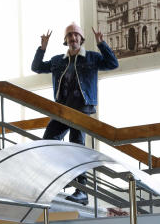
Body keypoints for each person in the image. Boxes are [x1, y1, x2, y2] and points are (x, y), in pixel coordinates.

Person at [32, 23, 119, 206]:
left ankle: (82, 191)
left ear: (81, 39)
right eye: (70, 36)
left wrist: (102, 44)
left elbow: (113, 63)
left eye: (76, 35)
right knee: (48, 140)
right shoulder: (58, 61)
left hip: (81, 110)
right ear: (66, 40)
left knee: (76, 145)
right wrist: (43, 47)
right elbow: (37, 67)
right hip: (62, 110)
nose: (73, 38)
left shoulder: (91, 57)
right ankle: (54, 179)